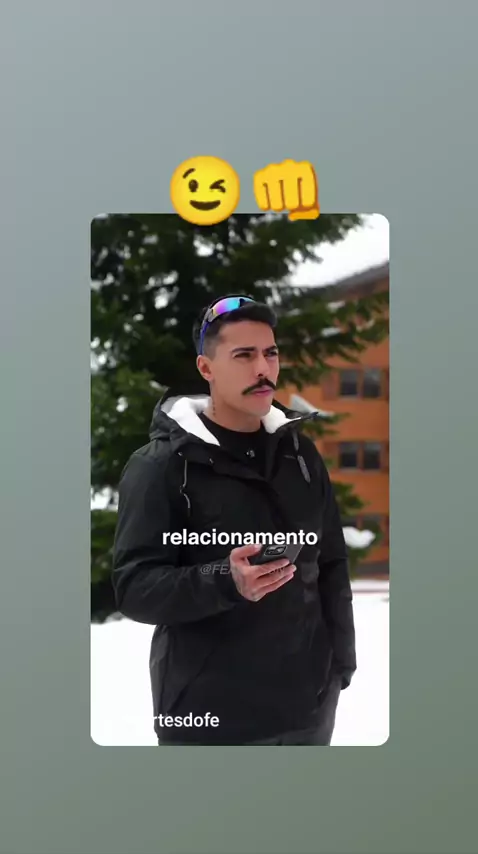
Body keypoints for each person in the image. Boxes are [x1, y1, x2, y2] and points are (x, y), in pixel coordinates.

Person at [112, 294, 356, 745]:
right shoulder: (160, 466)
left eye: (270, 353)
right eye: (244, 355)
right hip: (208, 715)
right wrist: (225, 580)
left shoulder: (300, 455)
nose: (263, 368)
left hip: (307, 712)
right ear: (206, 368)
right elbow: (134, 587)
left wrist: (340, 665)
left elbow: (330, 563)